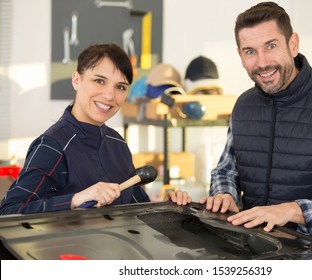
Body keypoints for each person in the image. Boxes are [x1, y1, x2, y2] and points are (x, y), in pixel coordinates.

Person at [199, 2, 312, 253]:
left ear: (293, 44)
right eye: (250, 51)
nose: (262, 62)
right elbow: (226, 171)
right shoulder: (243, 106)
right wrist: (225, 194)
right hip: (258, 252)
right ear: (240, 55)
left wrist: (289, 210)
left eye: (271, 46)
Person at [0, 43, 190, 215]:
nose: (109, 95)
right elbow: (8, 212)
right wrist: (75, 200)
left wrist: (166, 206)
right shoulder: (52, 146)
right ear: (76, 80)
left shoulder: (117, 142)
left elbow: (135, 206)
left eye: (120, 87)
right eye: (99, 81)